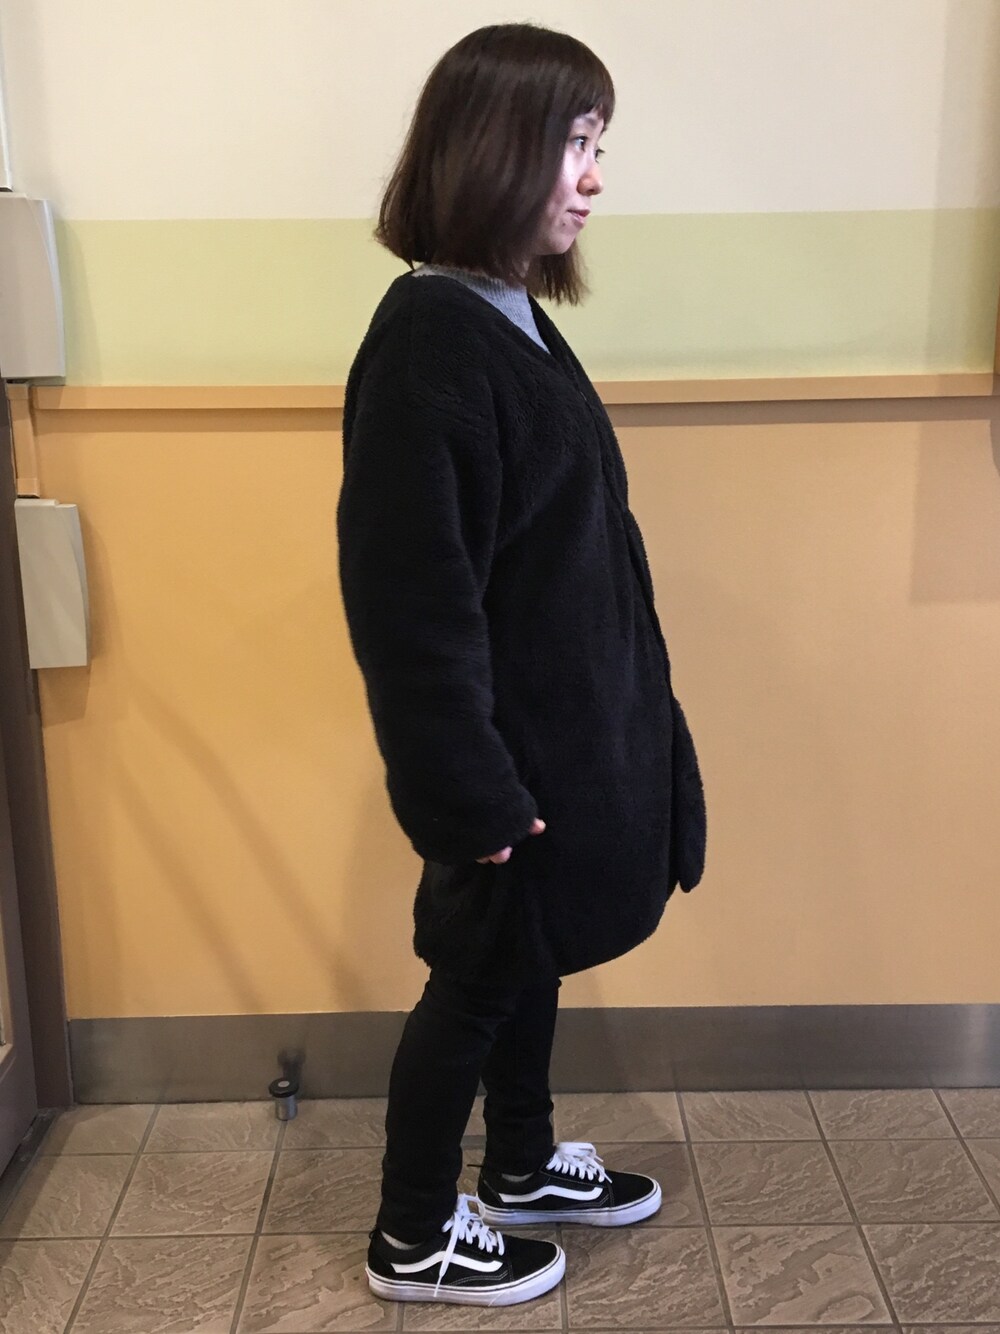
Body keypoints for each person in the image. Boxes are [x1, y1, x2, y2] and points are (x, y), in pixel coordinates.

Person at [337, 22, 707, 1308]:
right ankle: (410, 1231)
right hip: (507, 750)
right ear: (495, 149)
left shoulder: (508, 317)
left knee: (526, 953)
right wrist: (464, 786)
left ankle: (524, 1161)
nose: (593, 176)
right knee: (478, 976)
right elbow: (409, 599)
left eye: (599, 143)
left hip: (564, 733)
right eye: (574, 142)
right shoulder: (429, 342)